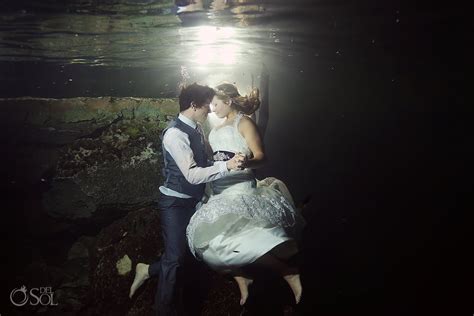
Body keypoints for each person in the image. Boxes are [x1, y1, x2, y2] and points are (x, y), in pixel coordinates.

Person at [128, 83, 245, 315]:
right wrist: (227, 166)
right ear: (193, 105)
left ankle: (148, 270)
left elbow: (203, 164)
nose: (209, 111)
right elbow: (191, 175)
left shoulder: (197, 129)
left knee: (191, 255)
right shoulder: (175, 134)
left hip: (194, 202)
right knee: (174, 261)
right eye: (206, 107)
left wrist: (226, 160)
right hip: (175, 204)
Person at [186, 82, 305, 306]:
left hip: (241, 188)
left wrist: (246, 162)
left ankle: (287, 271)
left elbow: (263, 157)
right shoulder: (216, 128)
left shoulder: (245, 123)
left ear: (228, 101)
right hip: (218, 191)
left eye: (215, 103)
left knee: (245, 240)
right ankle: (241, 276)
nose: (212, 108)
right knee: (208, 249)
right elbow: (217, 160)